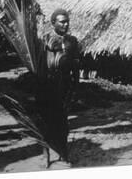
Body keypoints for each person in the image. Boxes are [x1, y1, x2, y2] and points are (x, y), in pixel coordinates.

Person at [39, 9, 80, 166]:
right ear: (53, 23)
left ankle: (63, 153)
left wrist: (75, 87)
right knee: (47, 120)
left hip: (65, 85)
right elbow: (39, 64)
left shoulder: (72, 41)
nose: (66, 24)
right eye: (62, 21)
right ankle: (46, 154)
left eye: (67, 21)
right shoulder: (44, 40)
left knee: (63, 121)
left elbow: (76, 65)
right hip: (47, 85)